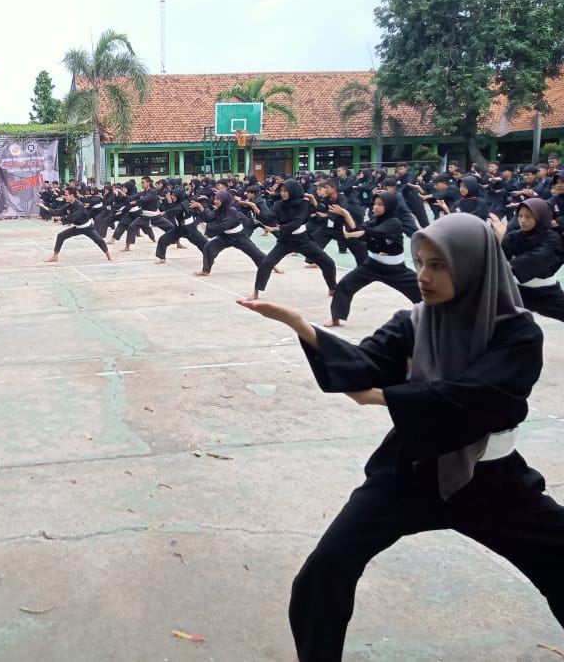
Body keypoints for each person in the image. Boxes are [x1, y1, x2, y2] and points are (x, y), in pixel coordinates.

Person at [238, 212, 564, 661]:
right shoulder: (413, 323)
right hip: (410, 473)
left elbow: (481, 398)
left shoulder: (516, 332)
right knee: (323, 573)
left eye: (438, 265)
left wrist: (383, 397)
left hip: (494, 482)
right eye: (420, 262)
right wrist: (304, 327)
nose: (423, 276)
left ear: (473, 266)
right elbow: (364, 363)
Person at [325, 192, 422, 327]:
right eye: (375, 204)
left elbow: (371, 233)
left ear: (389, 206)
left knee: (420, 289)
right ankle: (336, 317)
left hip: (395, 269)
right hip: (372, 265)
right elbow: (359, 229)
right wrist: (346, 214)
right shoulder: (374, 220)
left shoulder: (394, 223)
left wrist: (350, 235)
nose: (375, 207)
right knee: (345, 284)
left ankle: (432, 315)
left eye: (380, 205)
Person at [248, 179, 338, 301]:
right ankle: (256, 292)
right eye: (282, 191)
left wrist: (278, 227)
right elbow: (268, 217)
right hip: (285, 241)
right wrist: (255, 207)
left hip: (303, 239)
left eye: (286, 191)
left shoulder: (303, 203)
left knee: (328, 263)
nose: (283, 193)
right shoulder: (279, 204)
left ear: (293, 191)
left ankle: (332, 288)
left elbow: (297, 222)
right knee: (265, 264)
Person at [491, 200, 564, 322]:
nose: (522, 220)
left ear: (540, 216)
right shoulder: (514, 236)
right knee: (492, 317)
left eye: (528, 216)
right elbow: (497, 257)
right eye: (520, 216)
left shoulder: (553, 239)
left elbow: (540, 258)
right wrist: (498, 240)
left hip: (547, 293)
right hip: (517, 292)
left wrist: (509, 265)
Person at [46, 186, 112, 262]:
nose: (65, 197)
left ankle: (108, 254)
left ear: (72, 195)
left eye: (66, 195)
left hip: (87, 227)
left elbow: (73, 217)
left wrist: (61, 219)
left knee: (99, 240)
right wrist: (45, 207)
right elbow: (57, 212)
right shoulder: (68, 204)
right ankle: (55, 256)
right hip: (77, 227)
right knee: (61, 236)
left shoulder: (79, 205)